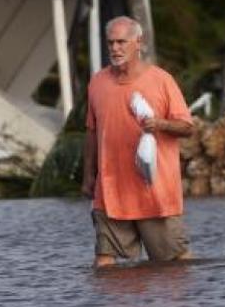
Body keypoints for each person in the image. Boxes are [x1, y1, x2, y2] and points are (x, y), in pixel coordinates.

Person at [83, 16, 195, 267]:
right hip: (110, 192)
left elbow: (187, 127)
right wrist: (88, 175)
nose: (115, 48)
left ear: (139, 43)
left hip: (154, 193)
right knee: (104, 265)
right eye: (110, 43)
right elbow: (91, 132)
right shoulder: (97, 82)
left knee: (177, 265)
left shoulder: (162, 80)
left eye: (121, 42)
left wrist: (161, 124)